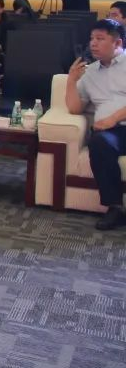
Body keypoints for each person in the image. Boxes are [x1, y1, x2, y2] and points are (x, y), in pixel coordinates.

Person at [65, 19, 126, 230]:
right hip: (111, 133)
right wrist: (71, 81)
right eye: (92, 38)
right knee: (99, 143)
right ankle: (115, 207)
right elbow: (75, 108)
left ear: (117, 43)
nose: (93, 43)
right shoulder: (89, 72)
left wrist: (113, 118)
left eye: (100, 39)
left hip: (114, 123)